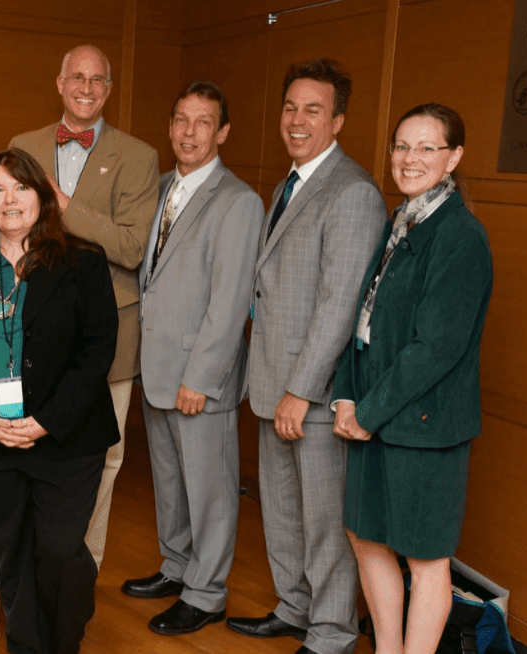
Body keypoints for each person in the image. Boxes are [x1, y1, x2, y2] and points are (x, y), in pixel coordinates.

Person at [0, 148, 119, 654]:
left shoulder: (84, 263)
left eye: (21, 188)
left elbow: (98, 352)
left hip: (66, 439)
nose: (9, 200)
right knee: (11, 556)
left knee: (58, 552)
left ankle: (65, 637)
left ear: (42, 196)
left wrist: (45, 422)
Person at [230, 58, 386, 654]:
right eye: (290, 108)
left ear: (338, 121)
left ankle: (331, 633)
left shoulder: (352, 193)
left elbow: (339, 305)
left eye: (313, 110)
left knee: (323, 523)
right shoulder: (287, 184)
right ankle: (295, 607)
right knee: (283, 512)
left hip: (312, 396)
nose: (297, 120)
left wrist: (302, 388)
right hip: (273, 385)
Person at [331, 103, 492, 654]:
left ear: (454, 158)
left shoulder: (460, 236)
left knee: (426, 559)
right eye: (402, 146)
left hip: (423, 426)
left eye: (426, 148)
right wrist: (346, 397)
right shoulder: (402, 219)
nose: (409, 158)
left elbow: (436, 349)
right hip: (373, 412)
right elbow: (365, 323)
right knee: (366, 536)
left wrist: (368, 413)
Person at [9, 44, 159, 569]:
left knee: (103, 458)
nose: (87, 88)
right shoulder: (22, 147)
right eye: (78, 77)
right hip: (30, 330)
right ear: (60, 82)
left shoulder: (139, 158)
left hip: (107, 334)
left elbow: (131, 247)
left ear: (109, 89)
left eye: (98, 79)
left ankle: (77, 568)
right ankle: (30, 564)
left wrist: (67, 208)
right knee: (29, 444)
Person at [122, 81, 264, 636]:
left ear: (222, 132)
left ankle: (207, 594)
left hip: (199, 377)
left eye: (203, 122)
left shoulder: (239, 201)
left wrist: (202, 378)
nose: (189, 132)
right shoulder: (156, 189)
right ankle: (177, 566)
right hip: (156, 367)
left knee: (210, 489)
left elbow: (231, 304)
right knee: (170, 482)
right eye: (182, 119)